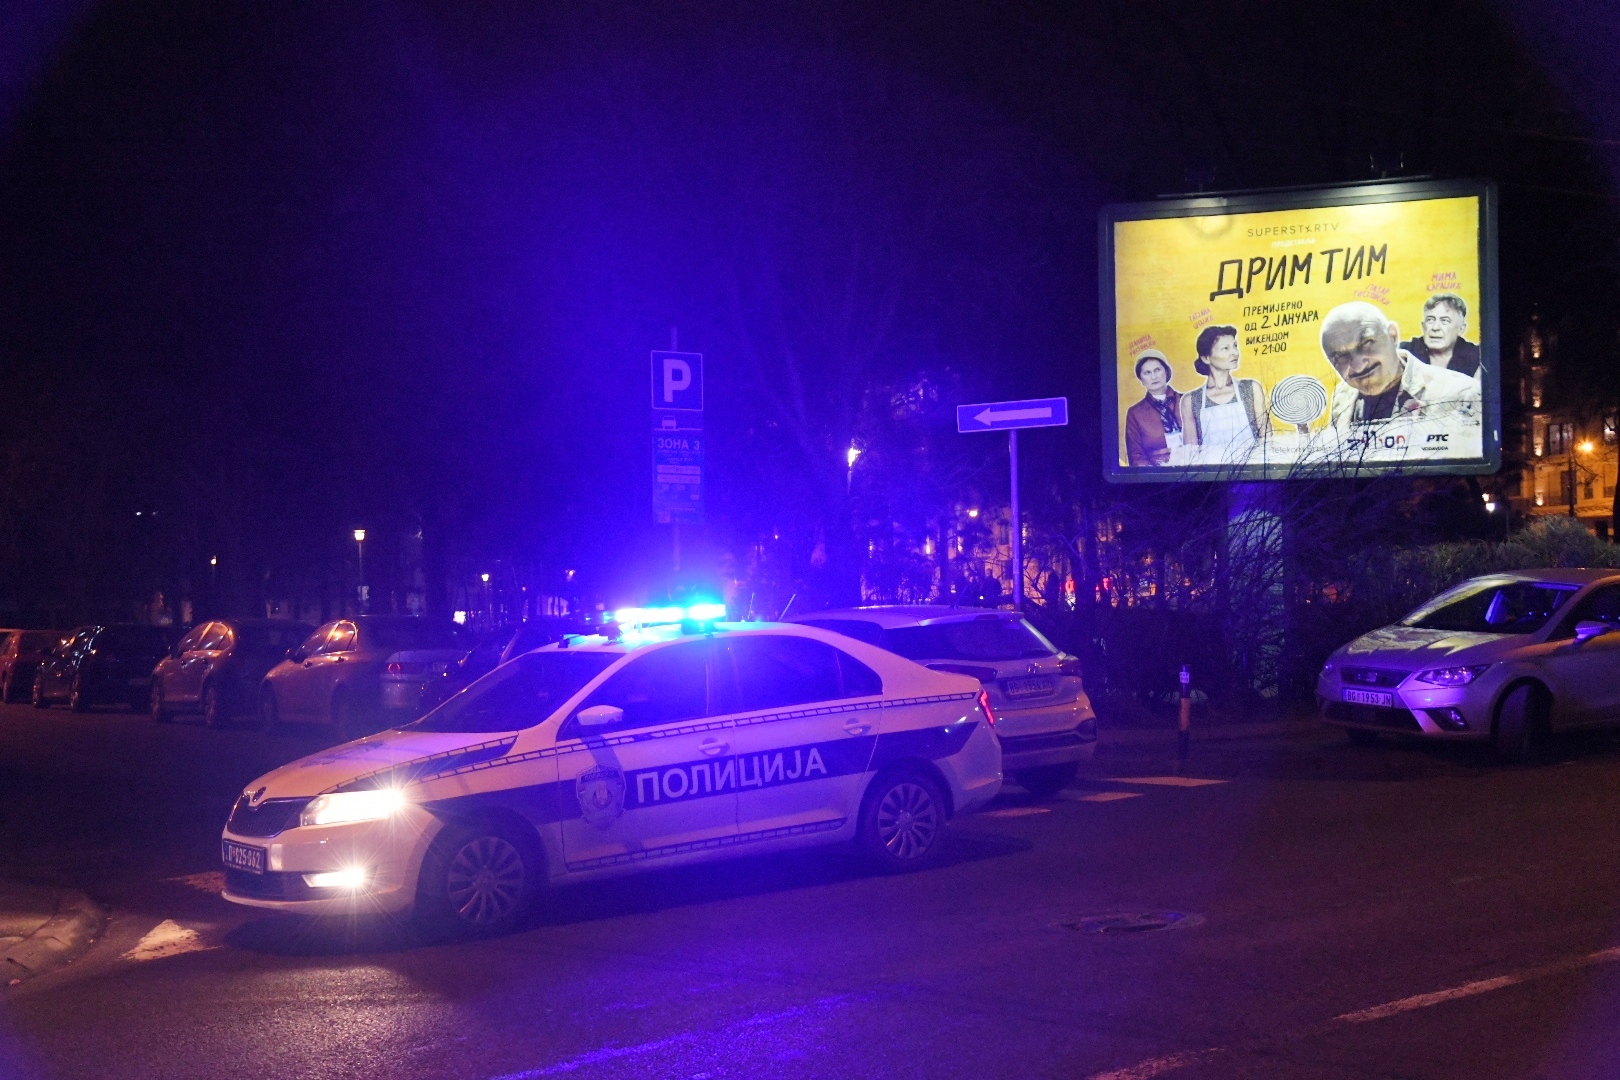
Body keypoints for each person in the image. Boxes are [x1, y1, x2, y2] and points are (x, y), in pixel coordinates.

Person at [1322, 302, 1479, 432]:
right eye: (1339, 356)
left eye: (1366, 343)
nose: (1357, 366)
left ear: (1393, 336)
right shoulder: (1342, 397)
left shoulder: (1462, 394)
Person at [1178, 325, 1269, 462]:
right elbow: (1191, 454)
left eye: (1235, 346)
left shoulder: (1251, 388)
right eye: (1226, 348)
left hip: (1252, 471)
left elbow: (1267, 439)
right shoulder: (1190, 400)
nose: (1235, 353)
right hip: (1212, 478)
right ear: (1206, 358)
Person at [1124, 350, 1183, 466]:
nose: (1154, 376)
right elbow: (1136, 457)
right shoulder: (1135, 413)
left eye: (1157, 370)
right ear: (1141, 379)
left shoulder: (1186, 400)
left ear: (1166, 372)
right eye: (1147, 373)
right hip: (1157, 475)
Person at [1401, 292, 1481, 378]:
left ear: (1461, 329)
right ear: (1423, 326)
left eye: (1444, 321)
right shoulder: (1406, 352)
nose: (1435, 328)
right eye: (1430, 320)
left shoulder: (1478, 357)